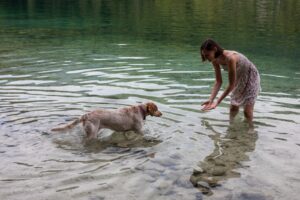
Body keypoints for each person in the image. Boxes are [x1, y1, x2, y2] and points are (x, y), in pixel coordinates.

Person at [200, 39, 260, 130]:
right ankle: (232, 128)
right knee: (233, 107)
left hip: (251, 77)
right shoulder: (214, 60)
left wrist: (217, 102)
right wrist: (211, 100)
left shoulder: (231, 58)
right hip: (239, 78)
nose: (207, 58)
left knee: (247, 112)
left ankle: (250, 131)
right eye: (205, 55)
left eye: (207, 55)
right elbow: (218, 81)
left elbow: (231, 85)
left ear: (215, 49)